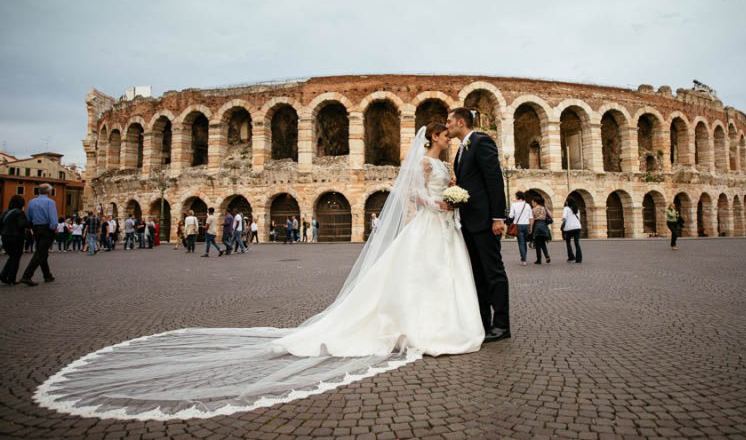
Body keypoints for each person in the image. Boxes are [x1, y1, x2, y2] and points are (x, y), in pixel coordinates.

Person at [36, 124, 487, 420]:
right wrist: (441, 201)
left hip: (440, 224)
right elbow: (414, 195)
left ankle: (427, 321)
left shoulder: (445, 158)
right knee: (414, 275)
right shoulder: (427, 162)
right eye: (443, 130)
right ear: (434, 140)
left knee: (427, 275)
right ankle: (416, 324)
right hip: (433, 219)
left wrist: (448, 201)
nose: (447, 134)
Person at [446, 108, 510, 342]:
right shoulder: (461, 150)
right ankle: (484, 323)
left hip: (484, 221)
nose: (447, 125)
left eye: (450, 121)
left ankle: (502, 325)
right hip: (469, 221)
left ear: (461, 122)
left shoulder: (482, 142)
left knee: (493, 272)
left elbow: (494, 180)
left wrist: (498, 217)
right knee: (478, 274)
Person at [19, 184, 58, 286]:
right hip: (47, 229)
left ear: (39, 191)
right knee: (40, 253)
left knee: (42, 252)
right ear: (49, 192)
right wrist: (54, 228)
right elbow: (53, 218)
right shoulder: (50, 202)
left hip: (36, 228)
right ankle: (26, 276)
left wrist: (32, 226)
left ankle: (47, 275)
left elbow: (28, 217)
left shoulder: (32, 202)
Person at [1, 195, 28, 285]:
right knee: (16, 258)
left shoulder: (5, 212)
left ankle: (3, 276)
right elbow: (21, 225)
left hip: (5, 237)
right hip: (16, 238)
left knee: (12, 257)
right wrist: (29, 222)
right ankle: (11, 278)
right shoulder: (19, 212)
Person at [507, 191, 532, 265]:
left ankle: (523, 260)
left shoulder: (514, 205)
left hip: (518, 225)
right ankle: (524, 257)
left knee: (521, 242)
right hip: (527, 224)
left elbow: (511, 216)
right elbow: (531, 217)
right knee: (524, 242)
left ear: (517, 197)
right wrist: (530, 227)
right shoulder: (527, 205)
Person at [530, 195, 552, 265]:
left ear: (536, 202)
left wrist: (530, 227)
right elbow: (550, 215)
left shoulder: (533, 209)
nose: (532, 204)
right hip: (544, 226)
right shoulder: (544, 208)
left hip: (537, 226)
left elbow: (532, 219)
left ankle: (539, 259)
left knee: (537, 244)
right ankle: (547, 256)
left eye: (532, 202)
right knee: (543, 243)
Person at [562, 197, 582, 263]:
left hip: (569, 228)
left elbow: (564, 218)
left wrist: (562, 225)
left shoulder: (566, 208)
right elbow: (579, 218)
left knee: (568, 242)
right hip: (577, 227)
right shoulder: (577, 209)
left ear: (567, 202)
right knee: (577, 243)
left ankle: (571, 257)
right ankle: (579, 259)